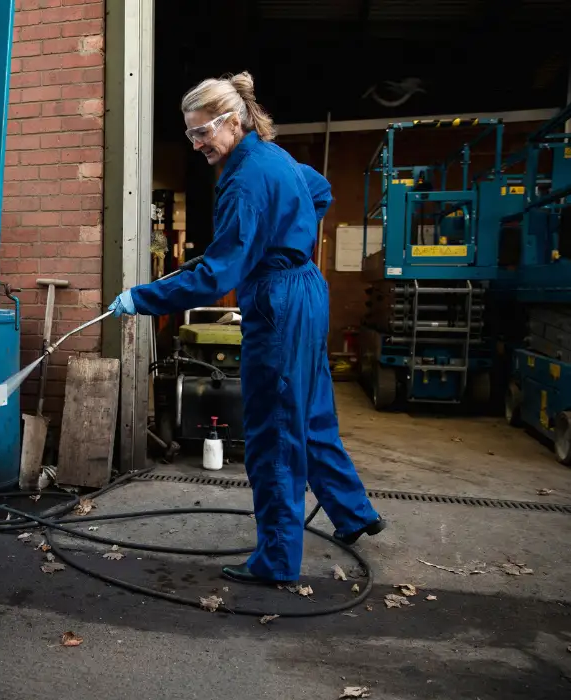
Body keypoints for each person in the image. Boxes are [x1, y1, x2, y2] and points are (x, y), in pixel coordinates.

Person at [108, 72, 385, 585]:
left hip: (278, 299)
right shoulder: (273, 156)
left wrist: (141, 298)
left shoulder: (243, 181)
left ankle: (276, 561)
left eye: (202, 132)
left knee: (273, 429)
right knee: (311, 412)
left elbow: (215, 277)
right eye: (190, 134)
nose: (196, 144)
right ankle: (353, 512)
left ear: (232, 122)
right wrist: (286, 233)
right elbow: (319, 191)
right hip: (306, 290)